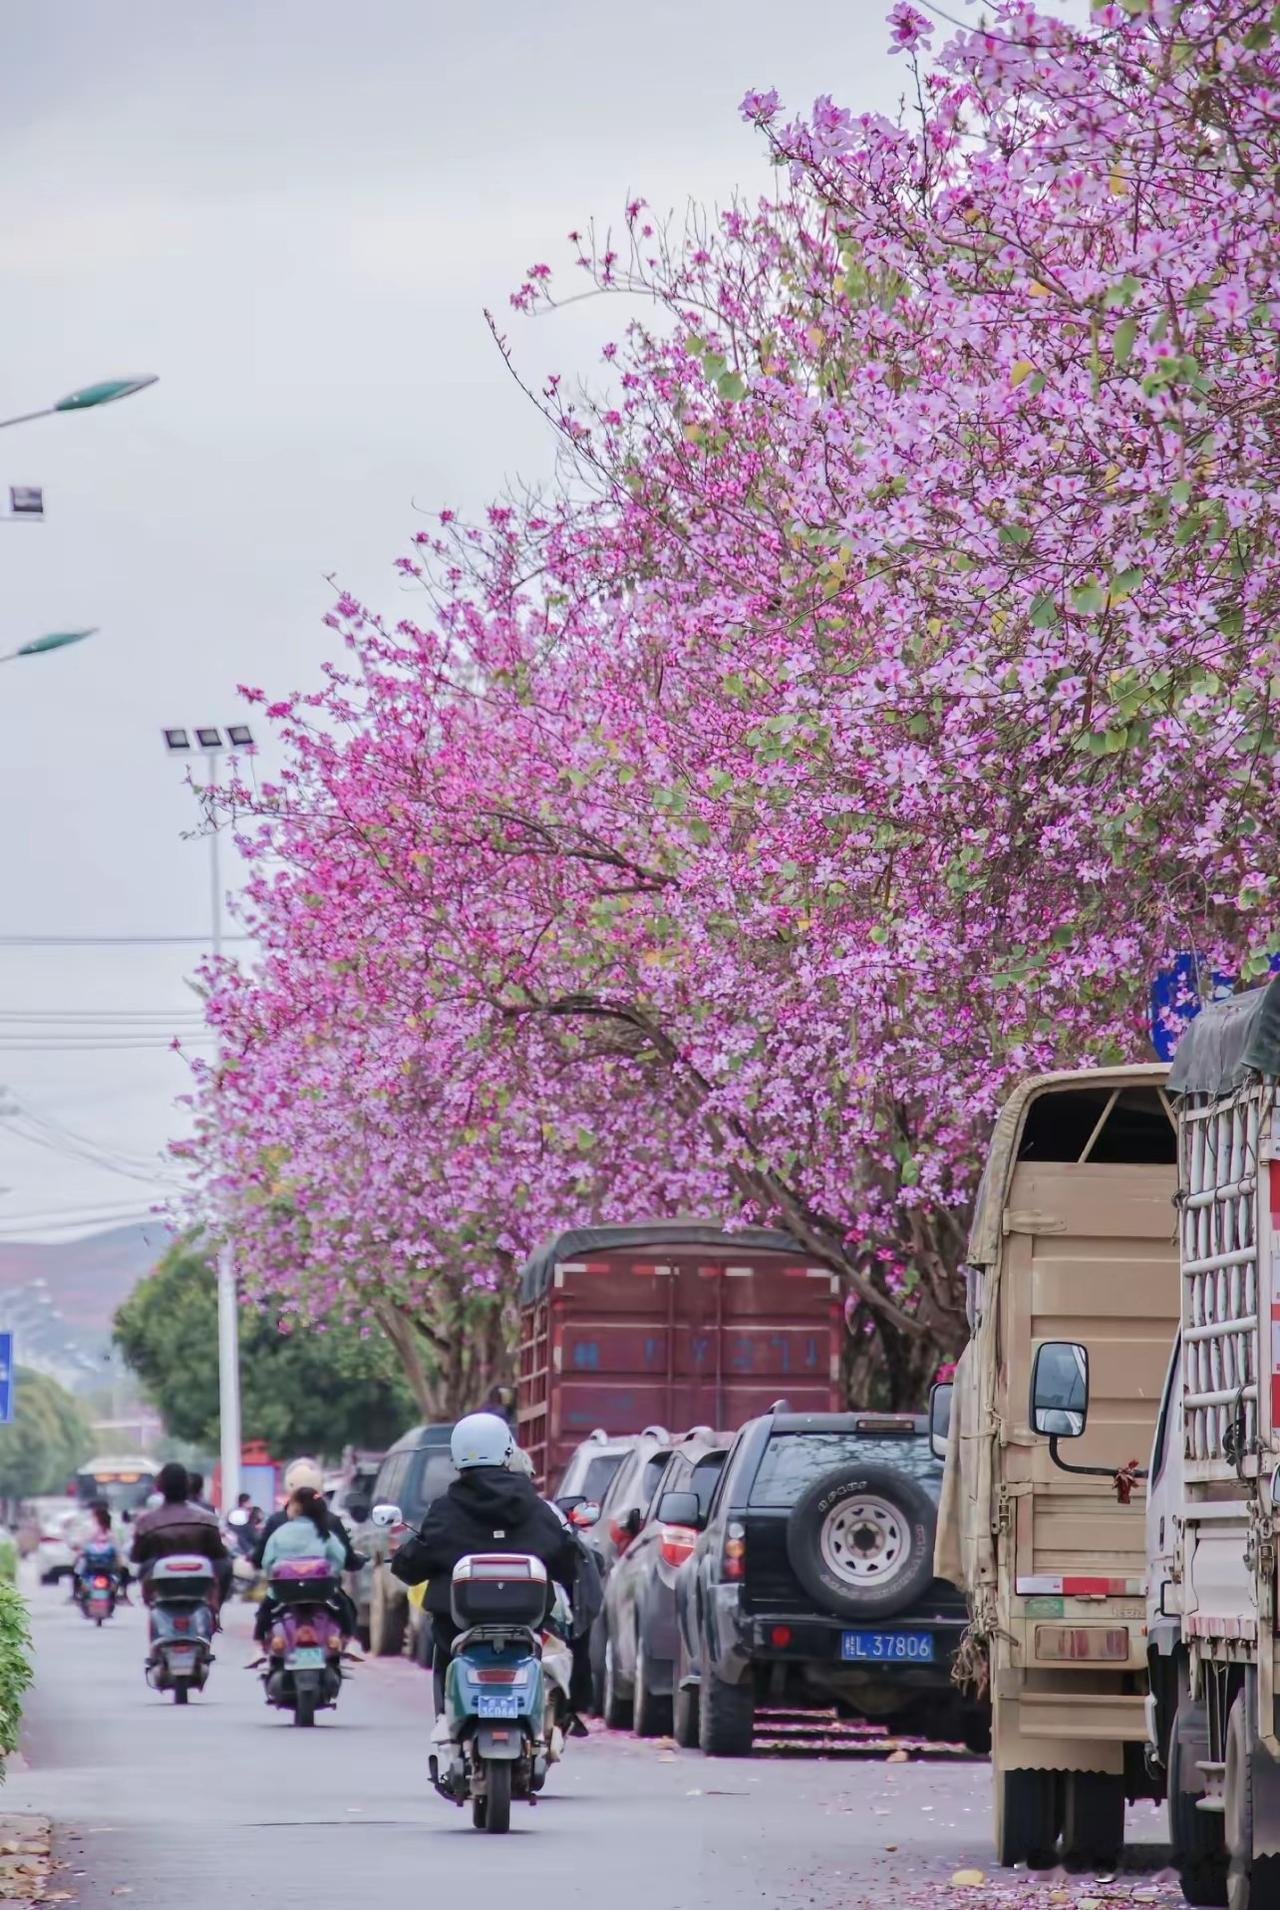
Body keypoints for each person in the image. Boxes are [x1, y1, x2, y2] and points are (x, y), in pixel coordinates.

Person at [391, 1412, 580, 1715]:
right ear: (508, 1451)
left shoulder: (445, 1510)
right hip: (527, 1627)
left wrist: (405, 1559)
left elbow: (412, 1566)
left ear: (456, 1456)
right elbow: (565, 1561)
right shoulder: (535, 1507)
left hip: (456, 1630)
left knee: (442, 1651)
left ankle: (446, 1720)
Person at [254, 1485, 351, 1644]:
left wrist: (275, 1576)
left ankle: (259, 1644)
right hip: (320, 1590)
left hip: (284, 1591)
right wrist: (331, 1573)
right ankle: (346, 1639)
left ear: (297, 1508)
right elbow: (339, 1558)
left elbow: (268, 1562)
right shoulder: (324, 1533)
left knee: (265, 1610)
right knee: (343, 1606)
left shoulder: (280, 1532)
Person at [130, 1462, 230, 1606]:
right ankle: (216, 1607)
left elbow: (137, 1556)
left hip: (161, 1584)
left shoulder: (146, 1522)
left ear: (159, 1487)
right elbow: (219, 1554)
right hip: (200, 1582)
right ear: (187, 1485)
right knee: (225, 1564)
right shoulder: (207, 1519)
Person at [251, 1459, 364, 1575]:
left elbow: (263, 1560)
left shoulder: (276, 1523)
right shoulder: (330, 1524)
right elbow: (342, 1558)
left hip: (282, 1591)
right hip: (322, 1589)